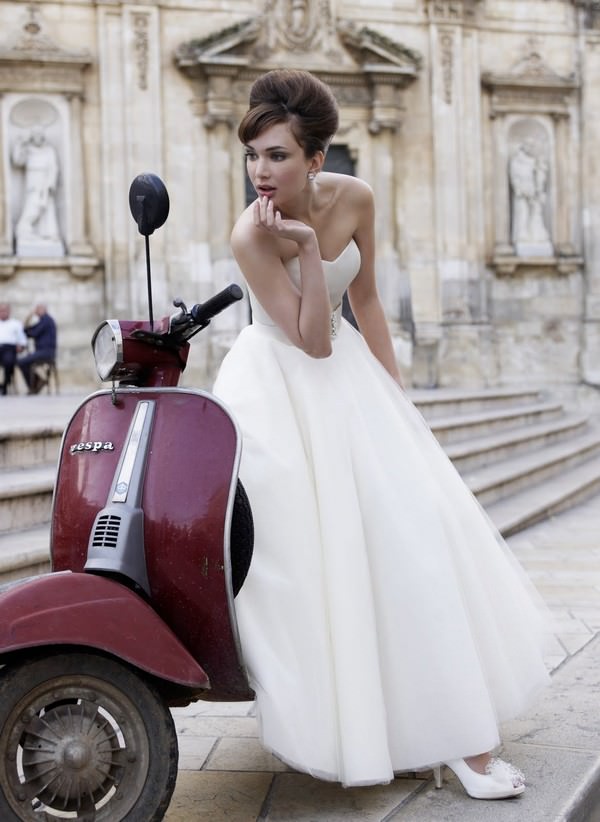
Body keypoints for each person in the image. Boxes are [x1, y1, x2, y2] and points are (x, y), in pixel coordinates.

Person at [213, 70, 550, 799]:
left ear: (316, 159)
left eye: (276, 156)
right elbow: (310, 341)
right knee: (322, 561)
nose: (260, 173)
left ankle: (451, 733)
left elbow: (363, 299)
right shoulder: (251, 234)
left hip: (352, 378)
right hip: (281, 389)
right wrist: (303, 248)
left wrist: (397, 402)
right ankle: (373, 726)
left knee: (413, 537)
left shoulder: (357, 196)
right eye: (253, 156)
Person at [11, 126, 61, 247]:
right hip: (32, 181)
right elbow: (17, 161)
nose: (37, 137)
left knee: (46, 208)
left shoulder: (49, 150)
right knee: (32, 206)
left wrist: (50, 183)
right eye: (35, 135)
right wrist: (20, 145)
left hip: (45, 182)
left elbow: (53, 168)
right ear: (32, 137)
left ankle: (47, 234)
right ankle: (23, 229)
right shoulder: (28, 150)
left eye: (40, 135)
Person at [17, 303, 57, 393]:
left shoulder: (46, 320)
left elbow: (31, 332)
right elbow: (28, 331)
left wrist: (29, 317)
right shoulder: (44, 320)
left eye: (37, 309)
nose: (35, 312)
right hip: (43, 352)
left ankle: (35, 384)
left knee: (21, 362)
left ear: (43, 309)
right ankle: (37, 382)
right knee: (23, 361)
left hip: (46, 352)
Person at [0, 302, 27, 394]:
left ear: (9, 311)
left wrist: (21, 346)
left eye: (5, 310)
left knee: (8, 362)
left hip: (9, 348)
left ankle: (5, 385)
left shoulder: (16, 324)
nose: (3, 312)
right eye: (1, 310)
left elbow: (22, 340)